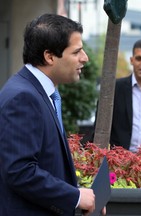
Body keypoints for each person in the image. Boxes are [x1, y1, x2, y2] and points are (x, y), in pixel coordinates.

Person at [0, 14, 102, 216]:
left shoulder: (37, 91)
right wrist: (75, 197)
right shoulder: (23, 97)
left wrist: (82, 196)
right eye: (77, 51)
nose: (85, 58)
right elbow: (20, 171)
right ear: (49, 56)